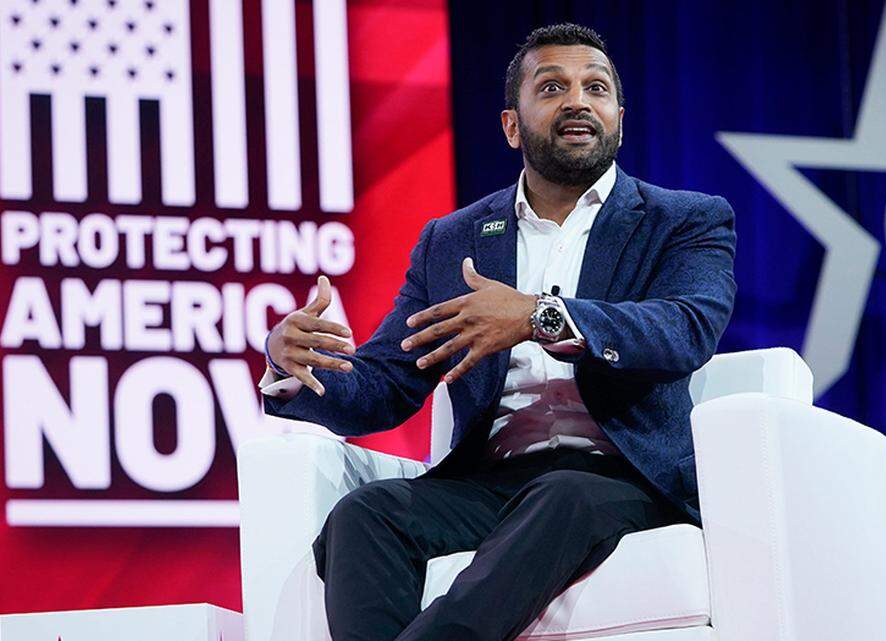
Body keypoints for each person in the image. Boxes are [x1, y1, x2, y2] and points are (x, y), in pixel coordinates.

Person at [261, 23, 736, 641]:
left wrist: (541, 316)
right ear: (513, 125)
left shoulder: (684, 219)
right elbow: (387, 382)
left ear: (618, 117)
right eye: (552, 87)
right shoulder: (452, 239)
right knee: (365, 515)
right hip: (492, 482)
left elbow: (685, 328)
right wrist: (295, 368)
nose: (577, 101)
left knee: (564, 495)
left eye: (596, 88)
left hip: (624, 479)